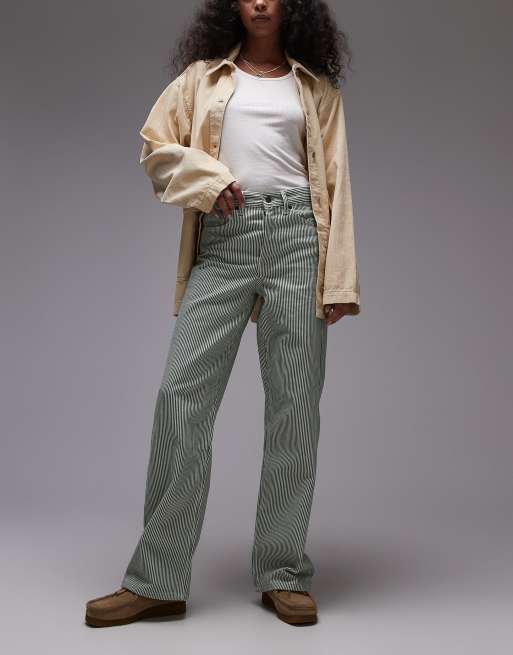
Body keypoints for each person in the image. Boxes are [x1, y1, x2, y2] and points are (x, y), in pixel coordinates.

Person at [85, 0, 361, 628]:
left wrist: (339, 277)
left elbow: (338, 182)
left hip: (299, 239)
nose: (260, 2)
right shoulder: (202, 79)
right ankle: (157, 578)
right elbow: (156, 147)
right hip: (226, 239)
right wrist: (208, 181)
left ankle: (283, 573)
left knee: (295, 407)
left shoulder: (317, 89)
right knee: (181, 397)